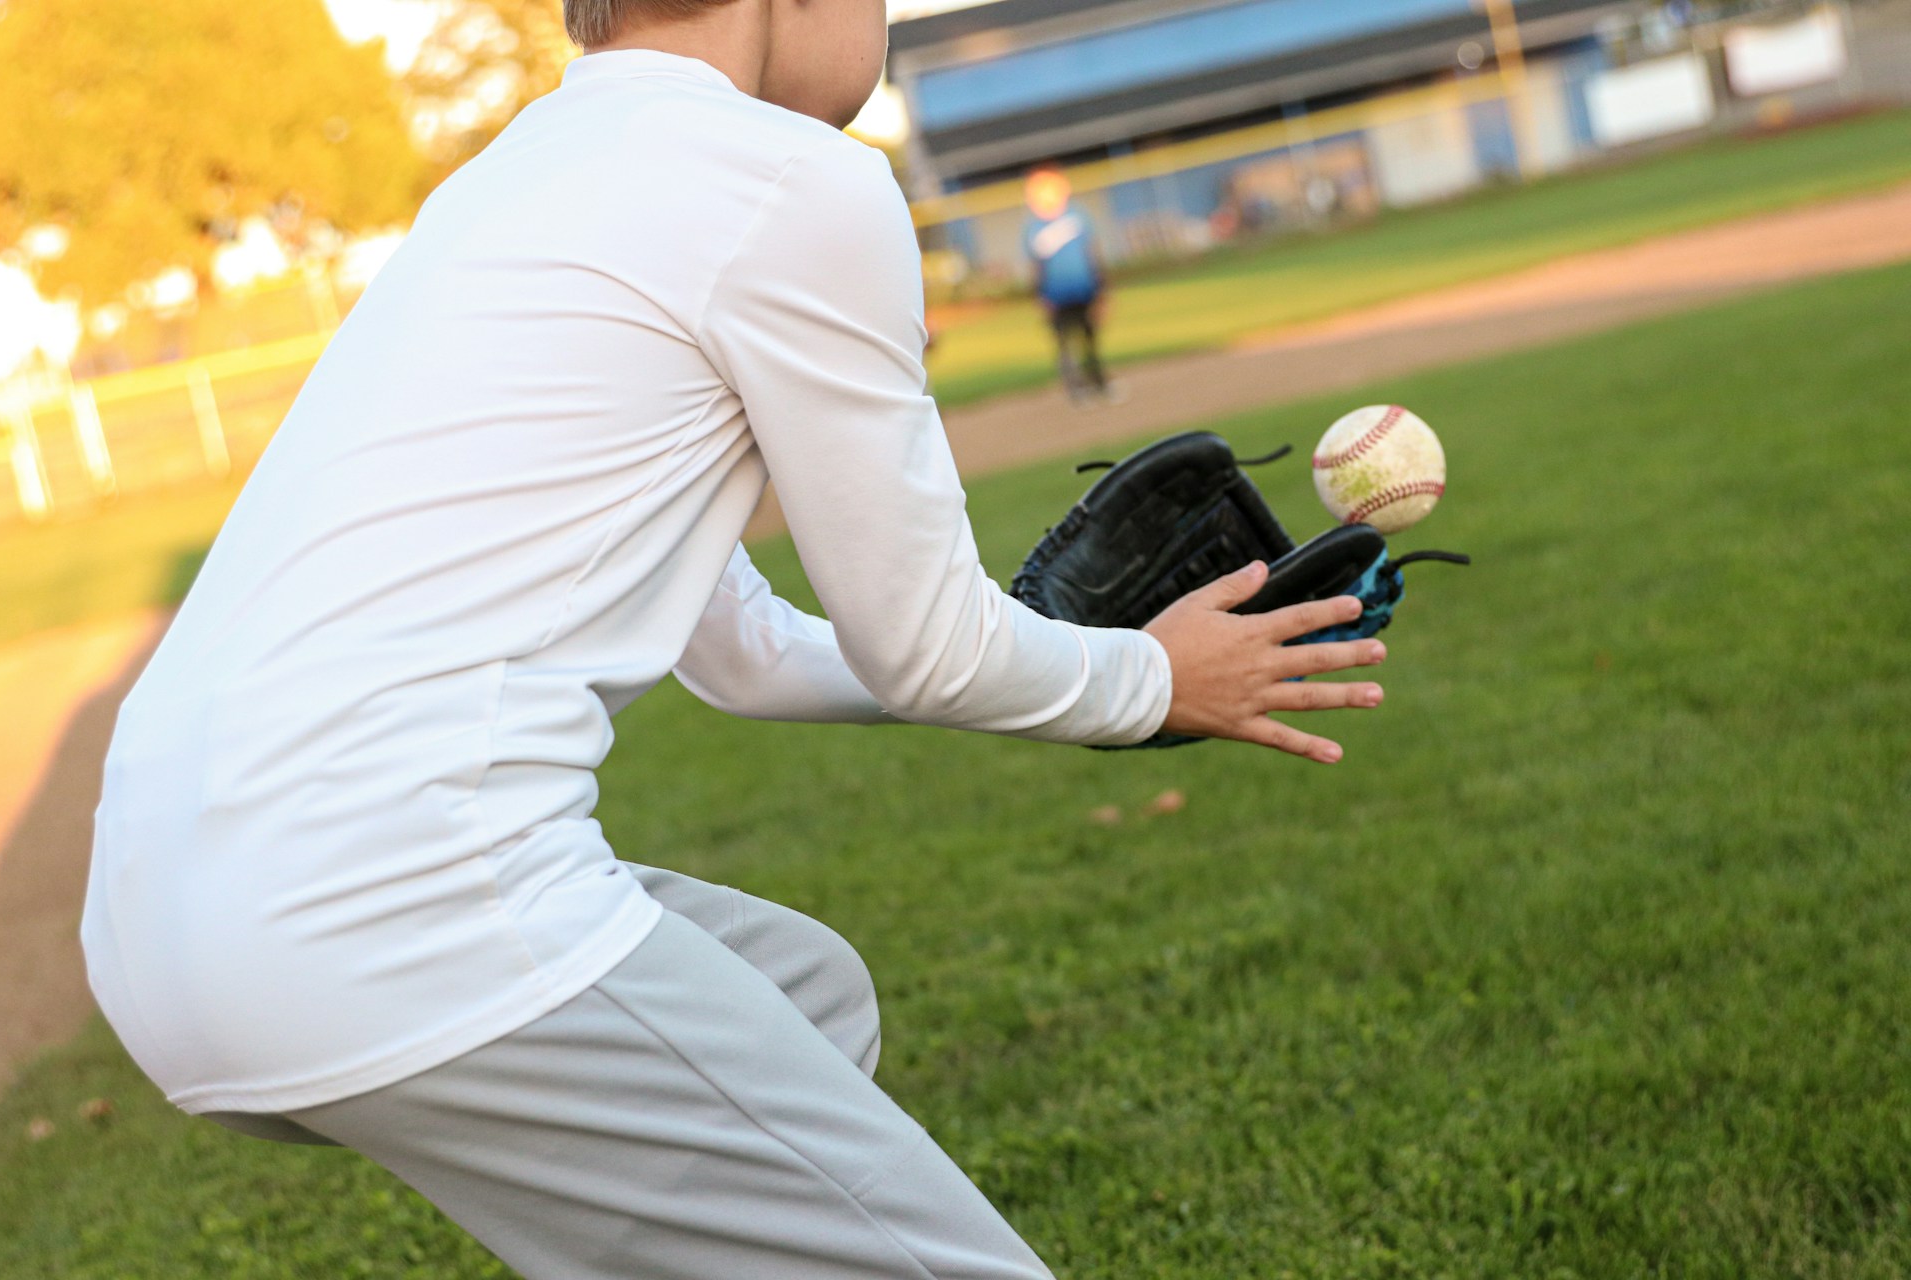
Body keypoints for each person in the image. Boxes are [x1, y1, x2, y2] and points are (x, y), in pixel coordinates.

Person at [81, 0, 1388, 1275]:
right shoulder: (789, 182)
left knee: (801, 995)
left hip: (165, 927)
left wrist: (1054, 645)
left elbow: (745, 650)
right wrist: (1149, 678)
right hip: (401, 908)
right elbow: (930, 650)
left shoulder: (500, 185)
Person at [1022, 166, 1115, 406]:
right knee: (1065, 346)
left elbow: (1092, 251)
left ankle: (1099, 383)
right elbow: (1035, 265)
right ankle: (1076, 390)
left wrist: (1102, 288)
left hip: (1084, 289)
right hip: (1056, 295)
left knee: (1090, 340)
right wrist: (1040, 296)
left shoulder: (1077, 215)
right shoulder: (1033, 227)